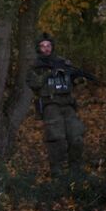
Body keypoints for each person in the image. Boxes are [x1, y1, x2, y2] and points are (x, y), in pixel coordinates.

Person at [26, 33, 87, 178]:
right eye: (43, 46)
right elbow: (34, 83)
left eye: (48, 46)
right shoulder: (35, 66)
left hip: (68, 105)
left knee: (76, 138)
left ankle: (75, 171)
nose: (46, 49)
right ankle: (57, 171)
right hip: (51, 105)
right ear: (38, 48)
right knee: (56, 139)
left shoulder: (63, 62)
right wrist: (49, 73)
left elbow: (75, 82)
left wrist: (78, 78)